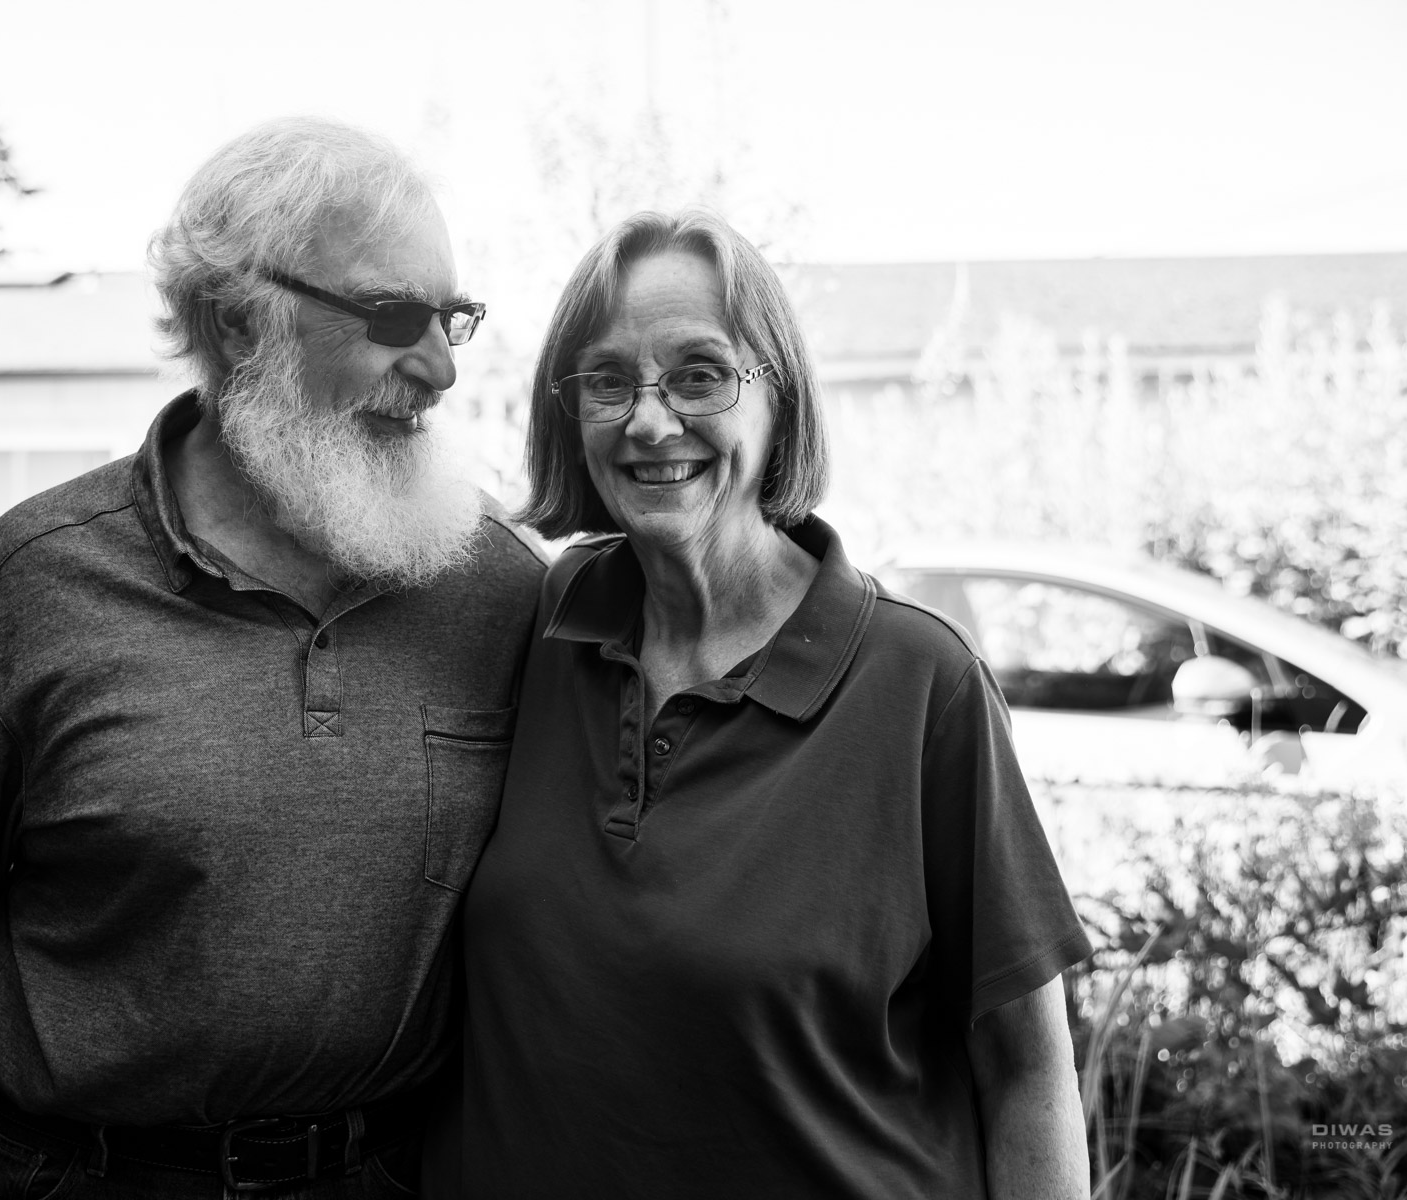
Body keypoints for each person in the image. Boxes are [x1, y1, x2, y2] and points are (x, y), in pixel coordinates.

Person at [0, 118, 544, 1200]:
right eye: (393, 318)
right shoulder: (35, 584)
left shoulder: (497, 587)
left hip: (380, 1174)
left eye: (451, 318)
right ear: (238, 321)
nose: (442, 368)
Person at [425, 210, 1093, 1199]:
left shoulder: (918, 683)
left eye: (699, 374)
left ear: (780, 397)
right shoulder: (539, 626)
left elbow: (1027, 1070)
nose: (649, 422)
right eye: (607, 380)